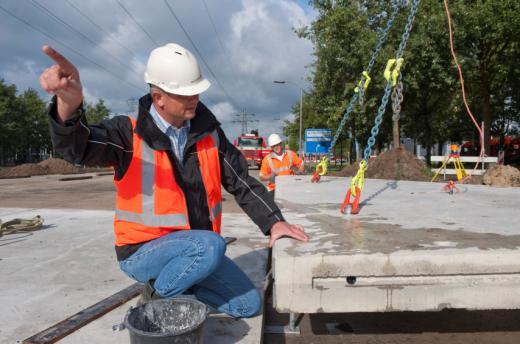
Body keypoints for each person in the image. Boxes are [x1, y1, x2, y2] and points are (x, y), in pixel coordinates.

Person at [39, 43, 308, 318]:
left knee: (247, 305)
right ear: (159, 97)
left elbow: (242, 181)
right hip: (142, 251)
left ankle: (182, 287)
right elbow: (79, 148)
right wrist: (68, 108)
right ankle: (156, 295)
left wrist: (274, 222)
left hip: (195, 249)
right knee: (210, 246)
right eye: (185, 93)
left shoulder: (210, 135)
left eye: (196, 90)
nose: (195, 97)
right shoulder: (127, 134)